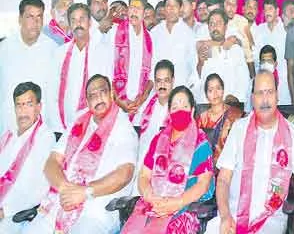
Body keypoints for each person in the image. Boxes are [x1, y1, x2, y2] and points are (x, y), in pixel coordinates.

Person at [24, 74, 137, 234]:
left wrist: (85, 192)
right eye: (92, 95)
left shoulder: (124, 129)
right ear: (87, 101)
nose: (98, 98)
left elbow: (125, 174)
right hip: (60, 201)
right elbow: (52, 162)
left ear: (111, 94)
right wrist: (64, 187)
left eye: (102, 92)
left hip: (95, 210)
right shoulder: (79, 120)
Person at [206, 70, 294, 233]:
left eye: (270, 92)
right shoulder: (238, 128)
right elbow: (223, 180)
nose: (265, 99)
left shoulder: (291, 133)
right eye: (260, 93)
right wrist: (225, 216)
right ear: (252, 98)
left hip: (269, 219)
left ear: (277, 96)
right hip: (233, 214)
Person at [121, 86, 215, 234]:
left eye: (184, 106)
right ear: (169, 112)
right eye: (175, 107)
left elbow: (203, 184)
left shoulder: (200, 142)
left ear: (191, 111)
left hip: (183, 208)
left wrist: (176, 203)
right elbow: (144, 175)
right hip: (151, 204)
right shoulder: (158, 139)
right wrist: (149, 195)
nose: (180, 111)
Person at [0, 82, 55, 234]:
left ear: (39, 107)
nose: (23, 111)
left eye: (29, 104)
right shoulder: (9, 135)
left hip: (15, 212)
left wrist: (5, 211)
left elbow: (39, 189)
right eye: (19, 105)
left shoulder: (45, 138)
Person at [50, 3, 112, 132]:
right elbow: (52, 92)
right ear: (69, 24)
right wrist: (57, 127)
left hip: (95, 126)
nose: (78, 24)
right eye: (73, 20)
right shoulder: (59, 53)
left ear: (89, 22)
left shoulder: (103, 52)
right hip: (63, 127)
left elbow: (109, 91)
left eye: (82, 19)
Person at [0, 0, 57, 134]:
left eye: (39, 17)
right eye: (30, 17)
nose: (36, 22)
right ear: (20, 19)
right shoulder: (4, 49)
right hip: (7, 128)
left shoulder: (54, 50)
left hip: (42, 131)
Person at [108, 0, 154, 120]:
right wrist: (118, 100)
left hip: (139, 108)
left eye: (138, 8)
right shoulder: (114, 32)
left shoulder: (150, 39)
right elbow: (106, 71)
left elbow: (151, 78)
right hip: (116, 105)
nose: (133, 12)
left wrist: (141, 100)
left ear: (144, 13)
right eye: (131, 8)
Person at [132, 60, 175, 186]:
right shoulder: (145, 107)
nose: (162, 85)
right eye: (158, 81)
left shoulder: (179, 108)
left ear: (173, 81)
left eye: (166, 81)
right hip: (140, 165)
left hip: (166, 170)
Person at [197, 9, 250, 105]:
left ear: (225, 26)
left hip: (231, 105)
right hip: (208, 106)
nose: (215, 27)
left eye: (218, 23)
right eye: (211, 24)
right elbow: (201, 78)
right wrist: (200, 63)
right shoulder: (205, 49)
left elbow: (244, 80)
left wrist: (236, 100)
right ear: (208, 28)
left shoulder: (235, 49)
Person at [150, 0, 197, 87]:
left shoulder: (188, 33)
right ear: (164, 8)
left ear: (180, 8)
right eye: (168, 6)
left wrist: (189, 86)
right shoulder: (155, 32)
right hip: (159, 89)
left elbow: (194, 63)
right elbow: (150, 62)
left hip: (181, 87)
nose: (171, 9)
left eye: (174, 6)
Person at [198, 73, 243, 172]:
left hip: (230, 169)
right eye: (210, 90)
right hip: (206, 171)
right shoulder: (201, 119)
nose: (215, 93)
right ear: (206, 95)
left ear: (223, 90)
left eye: (218, 88)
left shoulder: (236, 114)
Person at [253, 0, 288, 85]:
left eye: (270, 9)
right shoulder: (259, 30)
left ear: (277, 11)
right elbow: (256, 57)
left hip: (283, 82)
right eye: (265, 10)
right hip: (264, 81)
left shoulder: (286, 30)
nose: (267, 12)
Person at [223, 0, 256, 78]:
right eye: (228, 4)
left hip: (240, 70)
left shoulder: (242, 21)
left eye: (234, 5)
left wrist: (253, 79)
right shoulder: (217, 21)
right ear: (223, 5)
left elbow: (249, 50)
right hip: (222, 68)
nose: (231, 8)